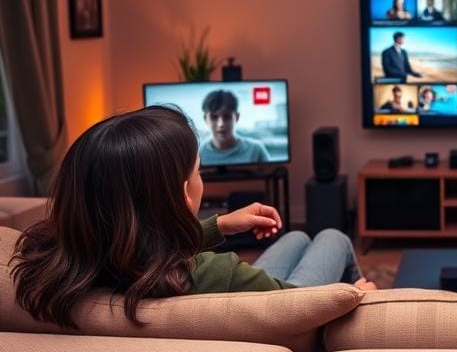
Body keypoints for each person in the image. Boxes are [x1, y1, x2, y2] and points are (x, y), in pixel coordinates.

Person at [11, 106, 376, 329]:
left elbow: (140, 248)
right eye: (198, 170)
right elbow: (303, 311)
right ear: (183, 193)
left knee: (295, 238)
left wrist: (218, 226)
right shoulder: (218, 273)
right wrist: (352, 298)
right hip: (285, 307)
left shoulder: (62, 266)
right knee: (332, 237)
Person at [199, 90, 270, 165]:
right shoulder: (198, 155)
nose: (221, 124)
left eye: (227, 117)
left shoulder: (256, 150)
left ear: (237, 117)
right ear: (205, 119)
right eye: (214, 117)